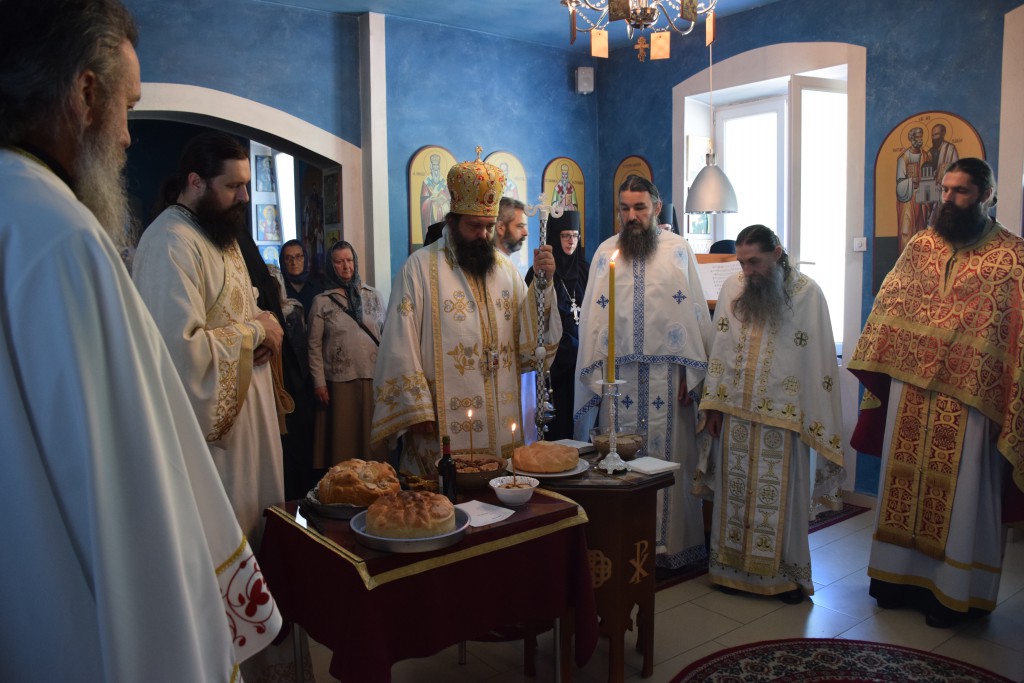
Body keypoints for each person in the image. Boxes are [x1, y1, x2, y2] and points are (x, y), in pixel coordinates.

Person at [0, 1, 280, 679]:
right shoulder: (65, 235)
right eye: (127, 107)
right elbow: (132, 458)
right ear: (84, 94)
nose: (128, 135)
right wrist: (255, 332)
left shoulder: (22, 211)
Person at [848, 157, 1024, 628]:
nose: (947, 199)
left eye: (959, 191)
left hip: (972, 398)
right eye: (944, 189)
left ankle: (955, 595)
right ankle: (895, 581)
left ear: (986, 196)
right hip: (910, 389)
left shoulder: (1013, 257)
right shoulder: (921, 245)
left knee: (964, 495)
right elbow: (890, 303)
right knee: (903, 487)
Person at [133, 131, 288, 552]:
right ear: (196, 181)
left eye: (246, 186)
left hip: (251, 421)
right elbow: (178, 352)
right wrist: (257, 332)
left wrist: (262, 326)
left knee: (260, 528)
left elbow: (241, 307)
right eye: (233, 186)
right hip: (216, 442)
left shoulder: (219, 233)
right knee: (224, 539)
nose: (244, 197)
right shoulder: (169, 242)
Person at [371, 150, 561, 473]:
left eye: (489, 226)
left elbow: (530, 342)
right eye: (475, 226)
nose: (483, 235)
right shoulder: (420, 268)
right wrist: (416, 409)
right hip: (439, 424)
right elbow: (399, 342)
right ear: (453, 220)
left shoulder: (505, 270)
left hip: (500, 424)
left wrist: (543, 286)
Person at [700, 225, 846, 604]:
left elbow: (817, 363)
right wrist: (713, 406)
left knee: (781, 502)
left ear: (777, 253)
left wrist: (809, 415)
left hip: (784, 420)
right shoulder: (732, 288)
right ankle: (729, 571)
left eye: (755, 262)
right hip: (735, 414)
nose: (747, 271)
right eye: (742, 263)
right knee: (734, 496)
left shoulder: (808, 294)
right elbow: (720, 350)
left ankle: (787, 578)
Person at [574, 175, 714, 572]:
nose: (632, 216)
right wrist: (597, 377)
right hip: (617, 378)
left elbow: (695, 317)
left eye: (639, 207)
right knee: (617, 461)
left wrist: (692, 374)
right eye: (625, 208)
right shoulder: (605, 253)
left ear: (656, 207)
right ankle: (620, 547)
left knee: (670, 461)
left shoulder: (678, 251)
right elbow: (593, 323)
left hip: (670, 380)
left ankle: (672, 549)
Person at [309, 240, 388, 468]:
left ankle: (375, 478)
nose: (346, 266)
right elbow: (313, 346)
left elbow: (385, 335)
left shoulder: (373, 295)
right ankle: (346, 481)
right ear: (330, 265)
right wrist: (319, 383)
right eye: (339, 262)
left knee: (373, 438)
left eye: (349, 260)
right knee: (344, 438)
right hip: (339, 380)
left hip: (373, 376)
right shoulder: (322, 302)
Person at [526, 210, 589, 441]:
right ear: (554, 237)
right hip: (557, 366)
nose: (571, 241)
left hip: (584, 364)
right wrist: (570, 350)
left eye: (575, 235)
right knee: (559, 427)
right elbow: (537, 321)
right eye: (565, 235)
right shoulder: (538, 274)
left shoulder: (586, 270)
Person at [896, 126, 932, 252]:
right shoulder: (903, 158)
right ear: (911, 138)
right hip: (908, 200)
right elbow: (899, 184)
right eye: (917, 137)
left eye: (921, 136)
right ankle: (906, 258)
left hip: (922, 199)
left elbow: (929, 177)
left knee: (921, 229)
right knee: (906, 230)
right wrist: (912, 181)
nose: (920, 139)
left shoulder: (926, 156)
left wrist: (928, 197)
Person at [281, 237, 324, 313]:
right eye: (288, 258)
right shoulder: (278, 287)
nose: (294, 262)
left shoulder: (318, 285)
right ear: (283, 261)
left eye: (298, 257)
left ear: (305, 258)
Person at [420, 152, 451, 237]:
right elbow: (423, 200)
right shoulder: (426, 182)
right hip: (431, 213)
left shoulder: (443, 181)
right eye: (434, 166)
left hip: (442, 210)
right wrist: (430, 200)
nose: (436, 168)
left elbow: (449, 198)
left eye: (437, 166)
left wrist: (444, 199)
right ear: (431, 167)